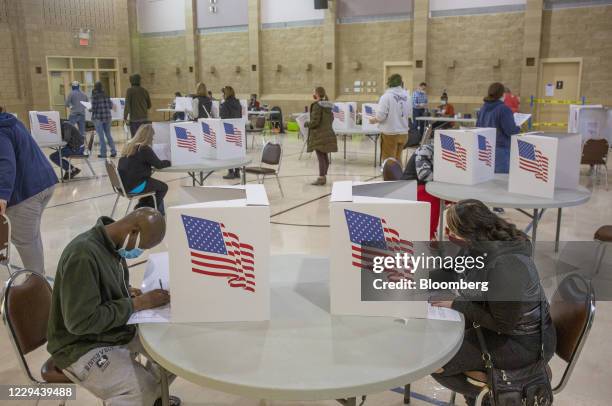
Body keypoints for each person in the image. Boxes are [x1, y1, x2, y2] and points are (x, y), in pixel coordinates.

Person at [47, 208, 180, 406]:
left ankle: (152, 394)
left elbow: (103, 287)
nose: (139, 252)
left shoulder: (113, 245)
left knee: (173, 355)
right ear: (133, 231)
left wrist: (127, 291)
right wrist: (137, 303)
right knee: (138, 390)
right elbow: (80, 322)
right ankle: (146, 395)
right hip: (80, 344)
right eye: (142, 247)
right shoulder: (83, 255)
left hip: (112, 330)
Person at [429, 200, 556, 406]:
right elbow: (454, 271)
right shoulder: (477, 243)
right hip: (500, 326)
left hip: (525, 342)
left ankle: (490, 398)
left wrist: (457, 304)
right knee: (440, 340)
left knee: (436, 361)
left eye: (450, 229)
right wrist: (417, 277)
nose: (446, 233)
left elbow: (503, 325)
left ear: (467, 232)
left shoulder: (507, 265)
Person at [0, 112, 57, 274]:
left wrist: (2, 196)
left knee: (26, 242)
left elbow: (5, 163)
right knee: (31, 238)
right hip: (44, 182)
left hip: (25, 193)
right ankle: (38, 281)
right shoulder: (11, 121)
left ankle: (38, 289)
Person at [118, 124, 171, 215]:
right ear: (148, 137)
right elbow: (159, 165)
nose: (153, 139)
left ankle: (141, 206)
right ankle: (146, 211)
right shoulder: (144, 148)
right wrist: (170, 161)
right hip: (134, 186)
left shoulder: (129, 146)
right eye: (152, 136)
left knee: (152, 184)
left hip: (122, 186)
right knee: (163, 187)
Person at [476, 82, 520, 174]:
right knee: (500, 181)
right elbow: (511, 131)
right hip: (501, 151)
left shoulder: (482, 108)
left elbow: (478, 128)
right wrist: (518, 126)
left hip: (484, 150)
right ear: (503, 94)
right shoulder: (503, 109)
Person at [369, 74, 410, 163]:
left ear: (389, 84)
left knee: (389, 160)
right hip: (403, 133)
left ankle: (390, 177)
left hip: (390, 133)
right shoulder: (407, 96)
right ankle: (399, 176)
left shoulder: (386, 96)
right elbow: (410, 114)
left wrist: (373, 120)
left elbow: (381, 116)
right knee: (398, 159)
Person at [306, 87, 337, 186]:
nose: (313, 94)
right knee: (324, 155)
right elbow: (331, 119)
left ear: (317, 94)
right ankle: (323, 176)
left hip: (319, 134)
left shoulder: (317, 105)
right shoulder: (328, 105)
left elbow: (315, 121)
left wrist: (307, 123)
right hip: (327, 132)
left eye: (314, 92)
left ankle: (321, 178)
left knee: (320, 156)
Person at [220, 86, 243, 180]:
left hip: (228, 129)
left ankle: (230, 172)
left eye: (223, 93)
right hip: (237, 130)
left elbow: (223, 117)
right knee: (236, 151)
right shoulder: (238, 103)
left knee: (228, 152)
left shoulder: (225, 104)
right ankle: (237, 171)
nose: (222, 95)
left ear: (226, 93)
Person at [91, 81, 117, 158]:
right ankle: (113, 151)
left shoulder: (95, 96)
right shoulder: (106, 95)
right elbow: (110, 106)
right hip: (108, 117)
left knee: (101, 136)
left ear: (95, 87)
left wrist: (89, 109)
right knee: (108, 135)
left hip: (99, 118)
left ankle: (103, 153)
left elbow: (94, 108)